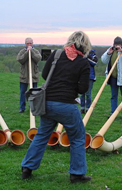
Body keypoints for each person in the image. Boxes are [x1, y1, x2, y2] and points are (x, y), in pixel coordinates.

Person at [21, 31, 91, 183]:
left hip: (48, 103)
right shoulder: (83, 63)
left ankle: (27, 167)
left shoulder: (57, 54)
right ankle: (77, 174)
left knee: (41, 135)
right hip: (67, 105)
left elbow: (46, 75)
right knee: (78, 138)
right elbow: (82, 89)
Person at [101, 36, 122, 120]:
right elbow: (103, 60)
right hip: (113, 77)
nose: (117, 46)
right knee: (113, 96)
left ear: (121, 44)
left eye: (119, 44)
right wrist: (108, 53)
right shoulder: (111, 50)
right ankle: (113, 113)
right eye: (116, 44)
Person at [16, 37, 42, 113]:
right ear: (25, 44)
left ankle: (33, 108)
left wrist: (31, 52)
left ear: (32, 43)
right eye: (28, 43)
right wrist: (27, 52)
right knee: (23, 93)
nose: (29, 45)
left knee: (34, 94)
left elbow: (38, 59)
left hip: (33, 76)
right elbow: (20, 60)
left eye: (30, 43)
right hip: (24, 76)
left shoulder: (36, 51)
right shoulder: (22, 51)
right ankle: (22, 108)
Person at [80, 49, 98, 114]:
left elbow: (94, 63)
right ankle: (82, 108)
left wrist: (87, 57)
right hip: (82, 76)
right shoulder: (81, 53)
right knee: (82, 93)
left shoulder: (93, 55)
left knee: (88, 94)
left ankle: (88, 108)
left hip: (90, 76)